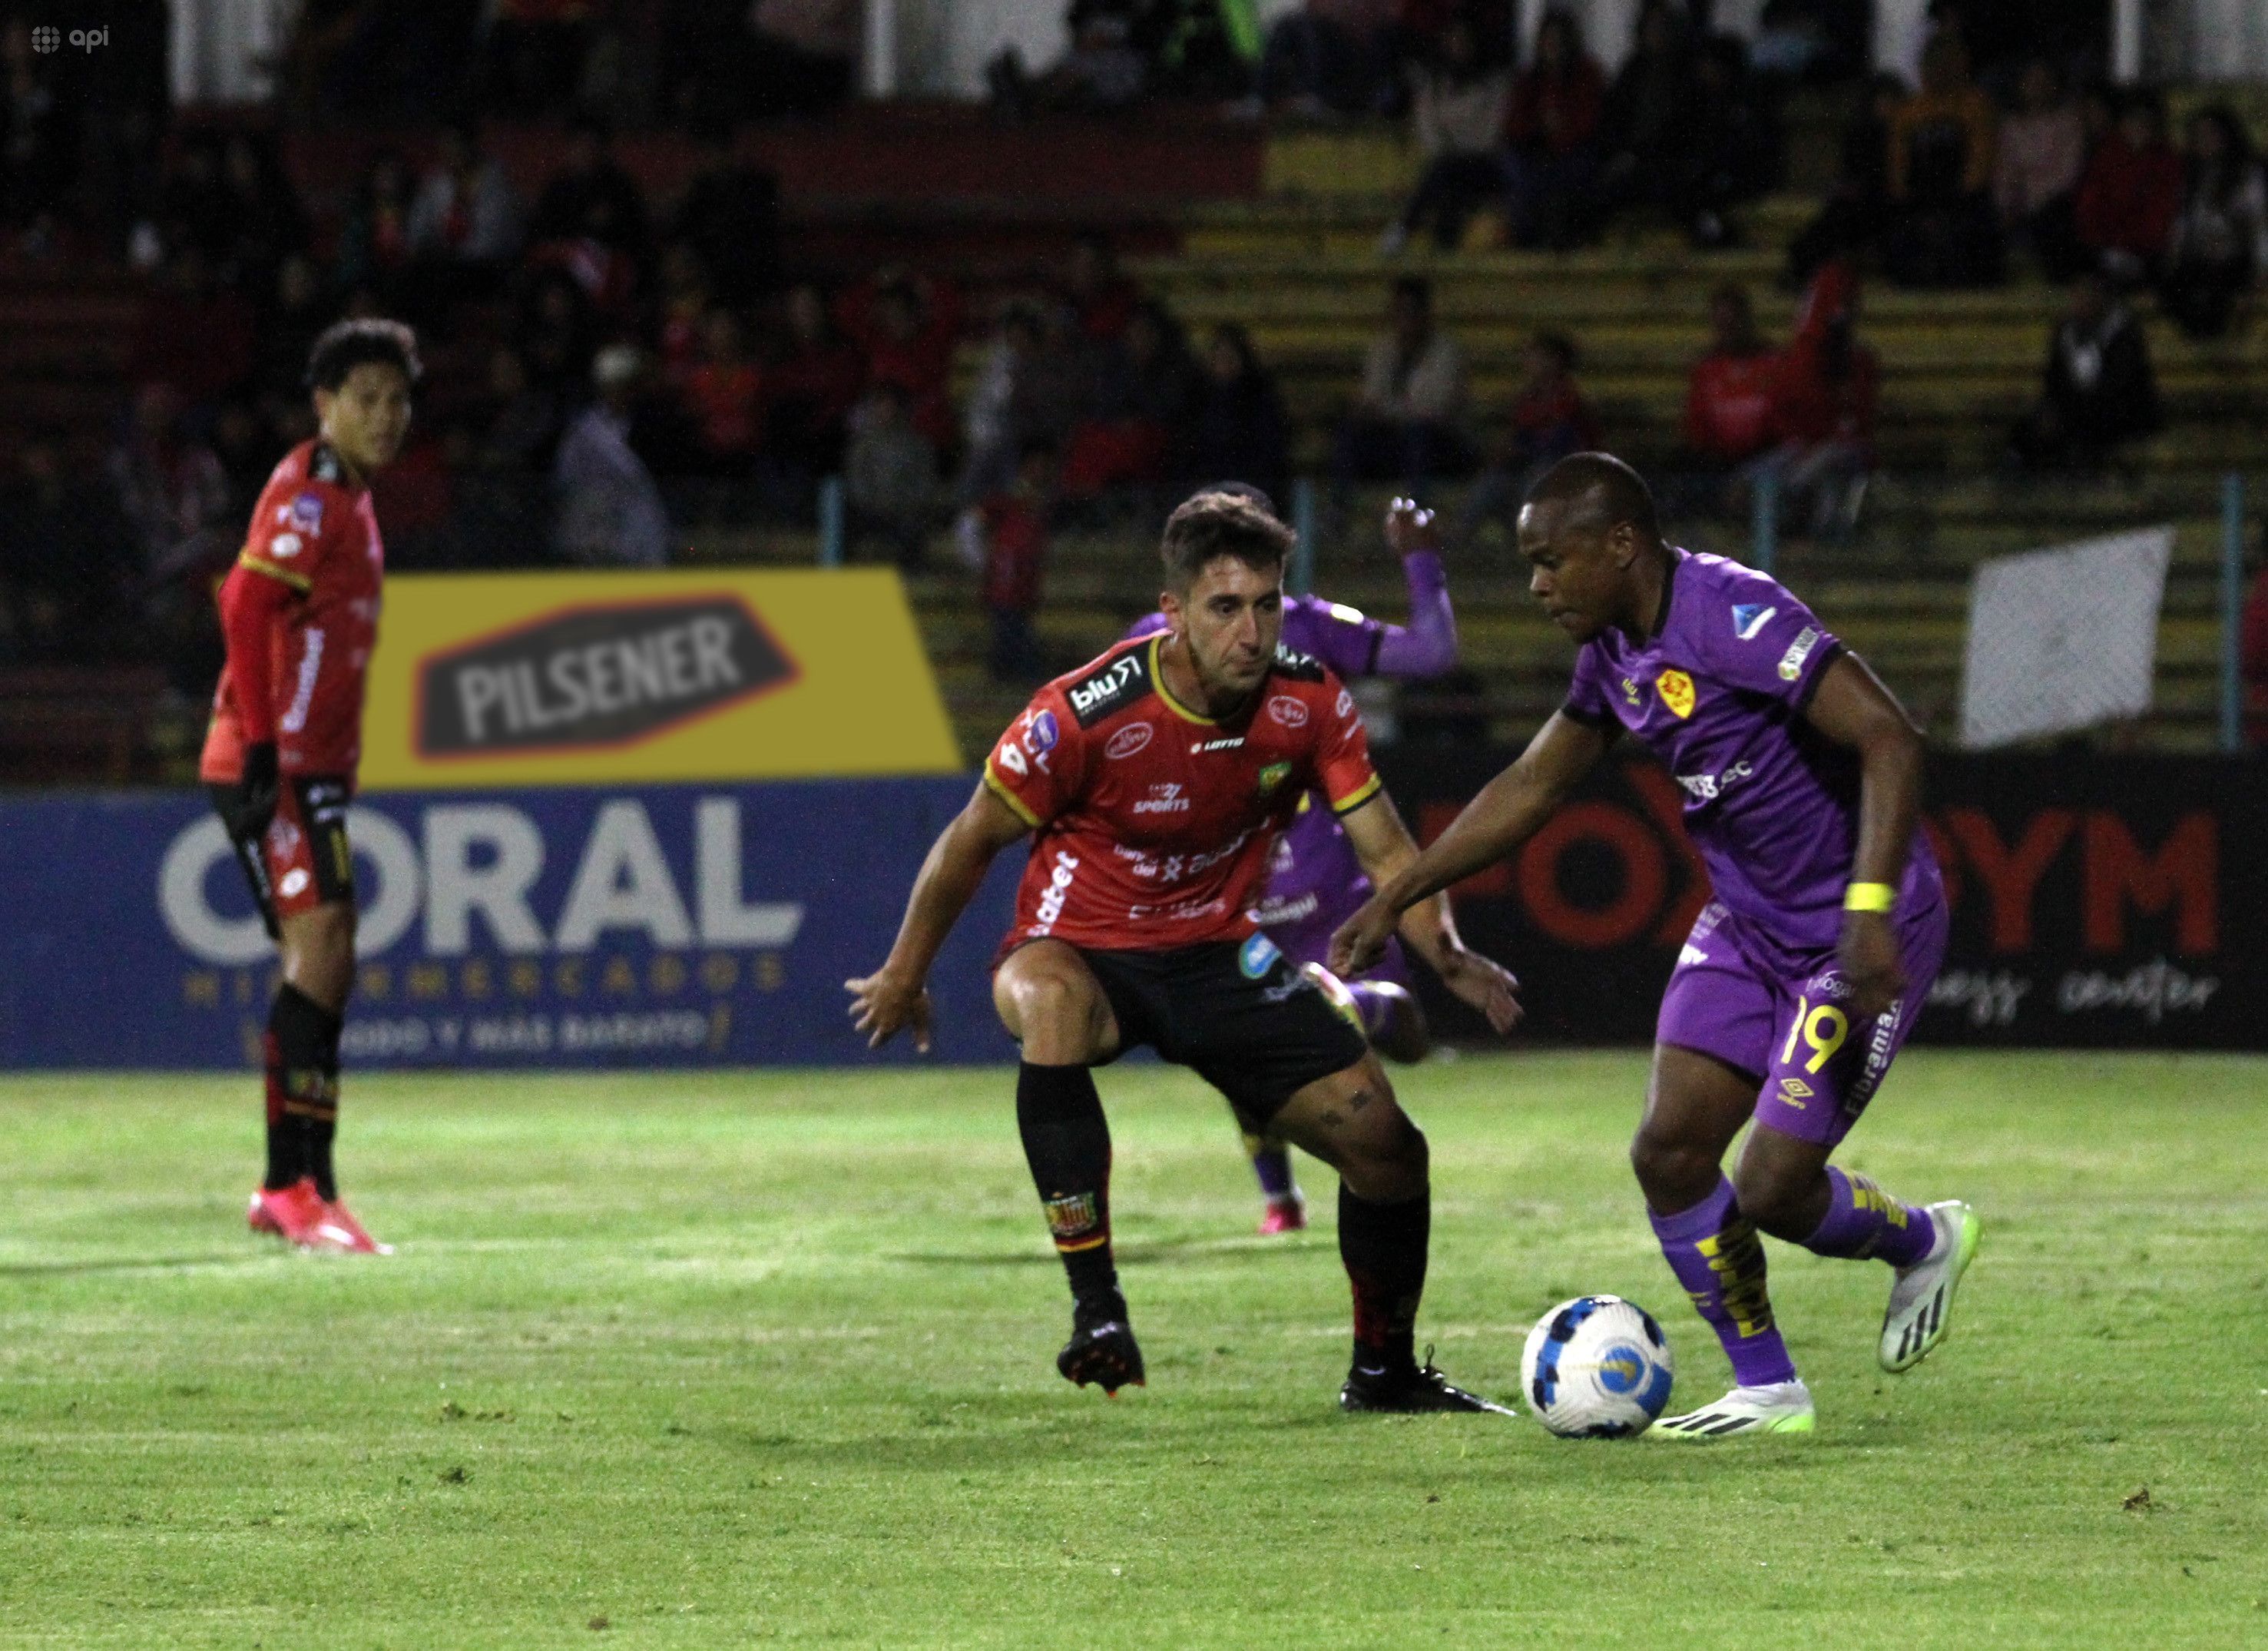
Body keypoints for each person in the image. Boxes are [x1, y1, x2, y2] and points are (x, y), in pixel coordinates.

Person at [1332, 453, 1979, 1440]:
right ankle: (1768, 1387)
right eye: (1529, 564)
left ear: (1620, 545)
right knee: (1669, 1153)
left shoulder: (1734, 615)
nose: (1538, 585)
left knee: (1769, 1186)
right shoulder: (1612, 653)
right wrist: (1404, 892)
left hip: (1850, 935)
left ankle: (1923, 1237)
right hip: (1747, 922)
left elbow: (1890, 735)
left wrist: (1868, 906)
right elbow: (1532, 784)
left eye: (1552, 560)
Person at [846, 490, 1521, 1411]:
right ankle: (1098, 1310)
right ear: (1173, 613)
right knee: (1050, 1005)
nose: (1251, 631)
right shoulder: (1085, 711)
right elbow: (971, 838)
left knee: (1389, 1148)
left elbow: (1390, 851)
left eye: (1267, 604)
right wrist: (904, 971)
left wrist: (1446, 956)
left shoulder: (1310, 701)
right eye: (1224, 607)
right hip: (1077, 947)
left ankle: (1384, 1374)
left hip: (1215, 954)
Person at [1125, 489, 1473, 1234]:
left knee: (1371, 1045)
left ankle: (1286, 1185)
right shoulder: (1289, 625)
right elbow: (1433, 650)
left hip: (1288, 887)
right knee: (1257, 1044)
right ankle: (1280, 1193)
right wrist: (1419, 557)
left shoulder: (1283, 633)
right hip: (1246, 890)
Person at [198, 317, 419, 1255]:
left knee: (328, 950)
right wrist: (257, 745)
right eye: (364, 398)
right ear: (325, 406)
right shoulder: (316, 491)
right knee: (322, 944)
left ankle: (301, 1186)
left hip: (308, 766)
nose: (384, 416)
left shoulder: (350, 497)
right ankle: (293, 1186)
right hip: (277, 762)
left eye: (397, 399)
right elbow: (244, 599)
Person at [1452, 329, 1601, 552]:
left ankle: (1535, 546)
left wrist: (1521, 451)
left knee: (1537, 478)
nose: (1529, 362)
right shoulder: (1530, 397)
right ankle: (1455, 544)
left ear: (1555, 361)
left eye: (1536, 356)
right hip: (1530, 467)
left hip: (1568, 474)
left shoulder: (1568, 397)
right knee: (1492, 484)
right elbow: (1520, 436)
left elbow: (1560, 445)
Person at [1379, 15, 1510, 255]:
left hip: (1486, 168)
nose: (1458, 46)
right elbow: (1430, 135)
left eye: (1464, 41)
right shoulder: (1435, 86)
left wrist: (1455, 144)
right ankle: (1438, 264)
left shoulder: (1495, 86)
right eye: (1453, 40)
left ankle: (1405, 228)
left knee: (1445, 172)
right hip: (1451, 172)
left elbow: (1489, 137)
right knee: (1451, 194)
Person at [2009, 272, 2160, 472]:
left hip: (2121, 413)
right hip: (2077, 411)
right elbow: (2054, 379)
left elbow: (2121, 386)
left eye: (2086, 297)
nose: (2079, 303)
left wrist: (2072, 408)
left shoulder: (2123, 331)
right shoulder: (2066, 331)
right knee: (2030, 429)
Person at [1333, 276, 1470, 494]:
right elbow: (1371, 400)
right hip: (1395, 441)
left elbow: (1436, 410)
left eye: (1412, 311)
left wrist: (1392, 412)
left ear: (1425, 314)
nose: (1406, 319)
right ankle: (1339, 508)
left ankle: (1415, 508)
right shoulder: (1383, 350)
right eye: (1400, 311)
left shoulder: (1445, 353)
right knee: (1350, 433)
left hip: (1437, 443)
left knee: (1418, 436)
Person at [553, 344, 673, 565]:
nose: (620, 392)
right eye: (614, 384)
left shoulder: (650, 425)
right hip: (593, 522)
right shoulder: (584, 430)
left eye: (626, 384)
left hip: (637, 521)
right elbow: (566, 478)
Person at [2160, 105, 2268, 341]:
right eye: (2199, 136)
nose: (2205, 141)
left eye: (2211, 134)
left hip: (2235, 259)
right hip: (2202, 258)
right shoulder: (2194, 178)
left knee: (2217, 286)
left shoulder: (2246, 175)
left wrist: (2262, 269)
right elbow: (2183, 224)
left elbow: (2258, 225)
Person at [1500, 8, 1604, 250]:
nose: (1553, 46)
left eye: (1558, 40)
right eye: (1548, 39)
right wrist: (1540, 128)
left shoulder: (1587, 75)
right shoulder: (1529, 79)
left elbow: (1588, 123)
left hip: (1573, 154)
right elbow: (1514, 125)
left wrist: (1560, 129)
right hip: (1537, 155)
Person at [2074, 89, 2181, 288]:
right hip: (2104, 248)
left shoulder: (2166, 163)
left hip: (2145, 253)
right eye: (2133, 120)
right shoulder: (2106, 158)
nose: (2139, 127)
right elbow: (2090, 209)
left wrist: (2130, 245)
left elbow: (2161, 217)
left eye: (2146, 122)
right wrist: (2107, 242)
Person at [1992, 59, 2086, 281]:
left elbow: (2068, 174)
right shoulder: (2010, 126)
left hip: (2053, 205)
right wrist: (2007, 204)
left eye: (2043, 81)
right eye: (2031, 80)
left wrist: (2034, 197)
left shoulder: (2068, 122)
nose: (2037, 86)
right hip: (2017, 209)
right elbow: (2004, 170)